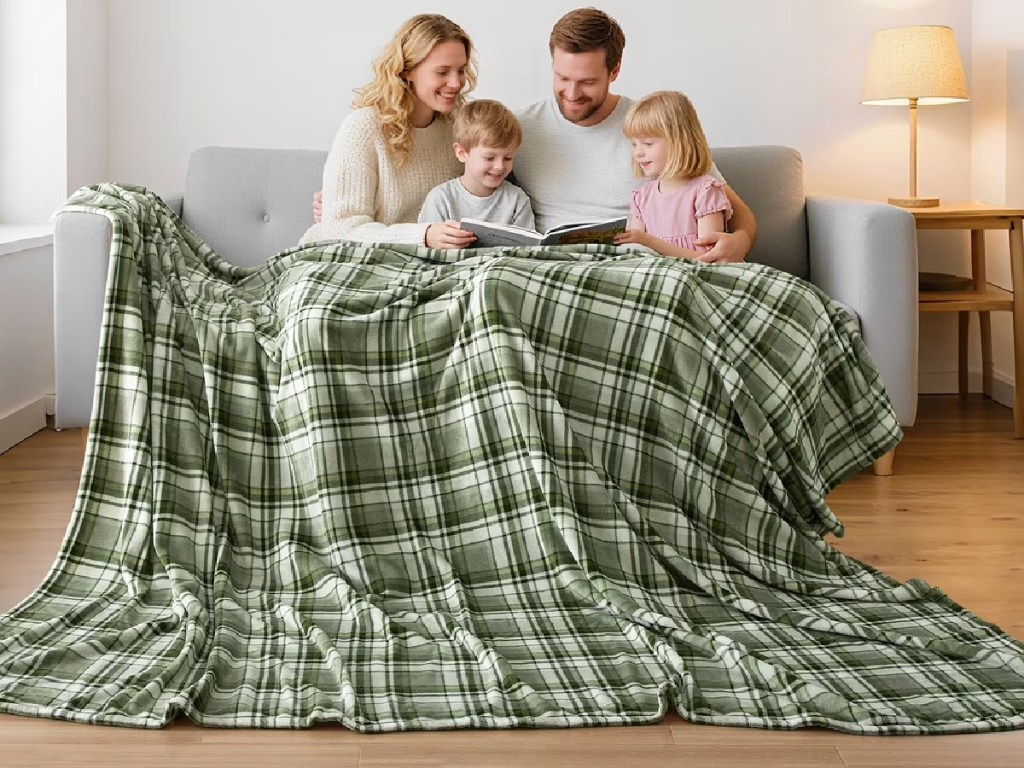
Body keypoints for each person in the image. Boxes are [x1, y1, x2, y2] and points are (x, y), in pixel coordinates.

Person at [511, 7, 756, 263]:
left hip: (632, 265)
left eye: (587, 82)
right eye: (562, 78)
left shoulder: (650, 125)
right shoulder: (518, 128)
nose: (572, 93)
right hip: (551, 266)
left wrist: (741, 241)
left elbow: (736, 209)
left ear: (614, 71)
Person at [299, 13, 478, 250]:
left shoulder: (460, 126)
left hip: (423, 263)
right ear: (407, 71)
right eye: (442, 72)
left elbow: (493, 188)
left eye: (461, 70)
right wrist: (423, 236)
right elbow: (340, 229)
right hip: (344, 257)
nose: (456, 83)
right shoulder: (363, 128)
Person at [613, 91, 732, 260]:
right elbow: (636, 254)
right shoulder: (642, 197)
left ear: (679, 142)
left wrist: (649, 241)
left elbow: (710, 260)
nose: (638, 153)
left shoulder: (705, 192)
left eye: (648, 143)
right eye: (634, 144)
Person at [417, 99, 535, 231]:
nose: (500, 166)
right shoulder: (441, 199)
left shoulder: (517, 200)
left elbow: (527, 248)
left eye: (508, 158)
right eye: (489, 158)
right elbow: (425, 245)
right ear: (462, 153)